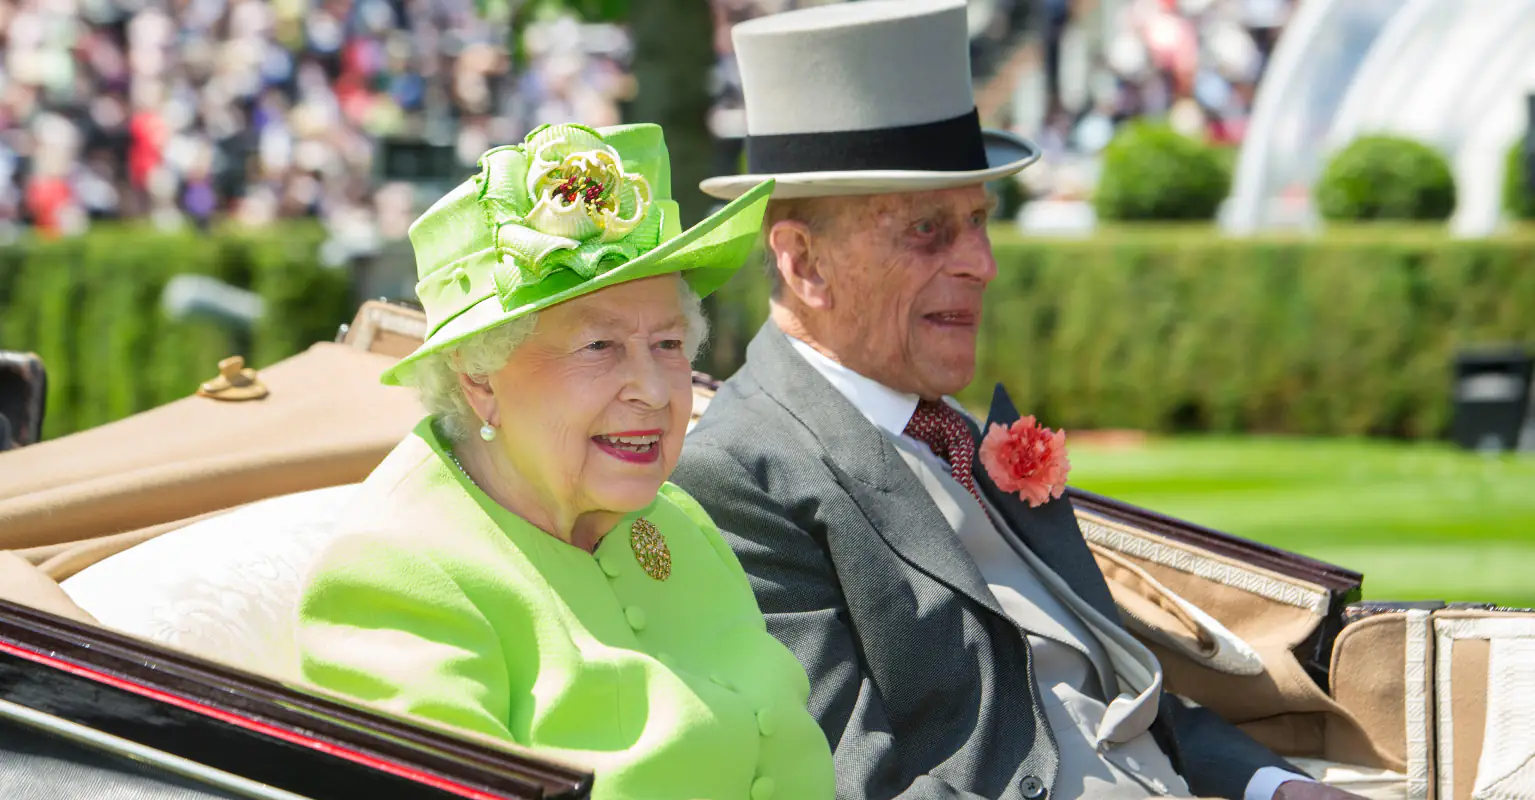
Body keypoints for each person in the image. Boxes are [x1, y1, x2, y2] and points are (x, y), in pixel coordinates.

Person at [671, 3, 1361, 800]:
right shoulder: (737, 475)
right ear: (803, 263)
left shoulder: (953, 430)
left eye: (978, 221)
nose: (981, 264)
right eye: (928, 230)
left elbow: (1115, 686)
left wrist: (1272, 786)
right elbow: (853, 781)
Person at [293, 122, 834, 800]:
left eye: (667, 344)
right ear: (479, 377)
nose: (653, 389)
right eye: (599, 347)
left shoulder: (682, 522)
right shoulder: (394, 577)